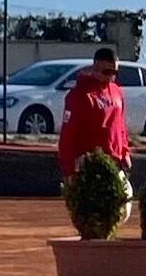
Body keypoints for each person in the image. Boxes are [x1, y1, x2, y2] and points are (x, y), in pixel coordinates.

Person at [55, 46, 131, 181]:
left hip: (115, 163)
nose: (111, 76)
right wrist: (69, 169)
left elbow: (121, 128)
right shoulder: (79, 95)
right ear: (96, 66)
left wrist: (125, 153)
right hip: (89, 165)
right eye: (107, 71)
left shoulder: (117, 92)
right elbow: (68, 134)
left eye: (114, 72)